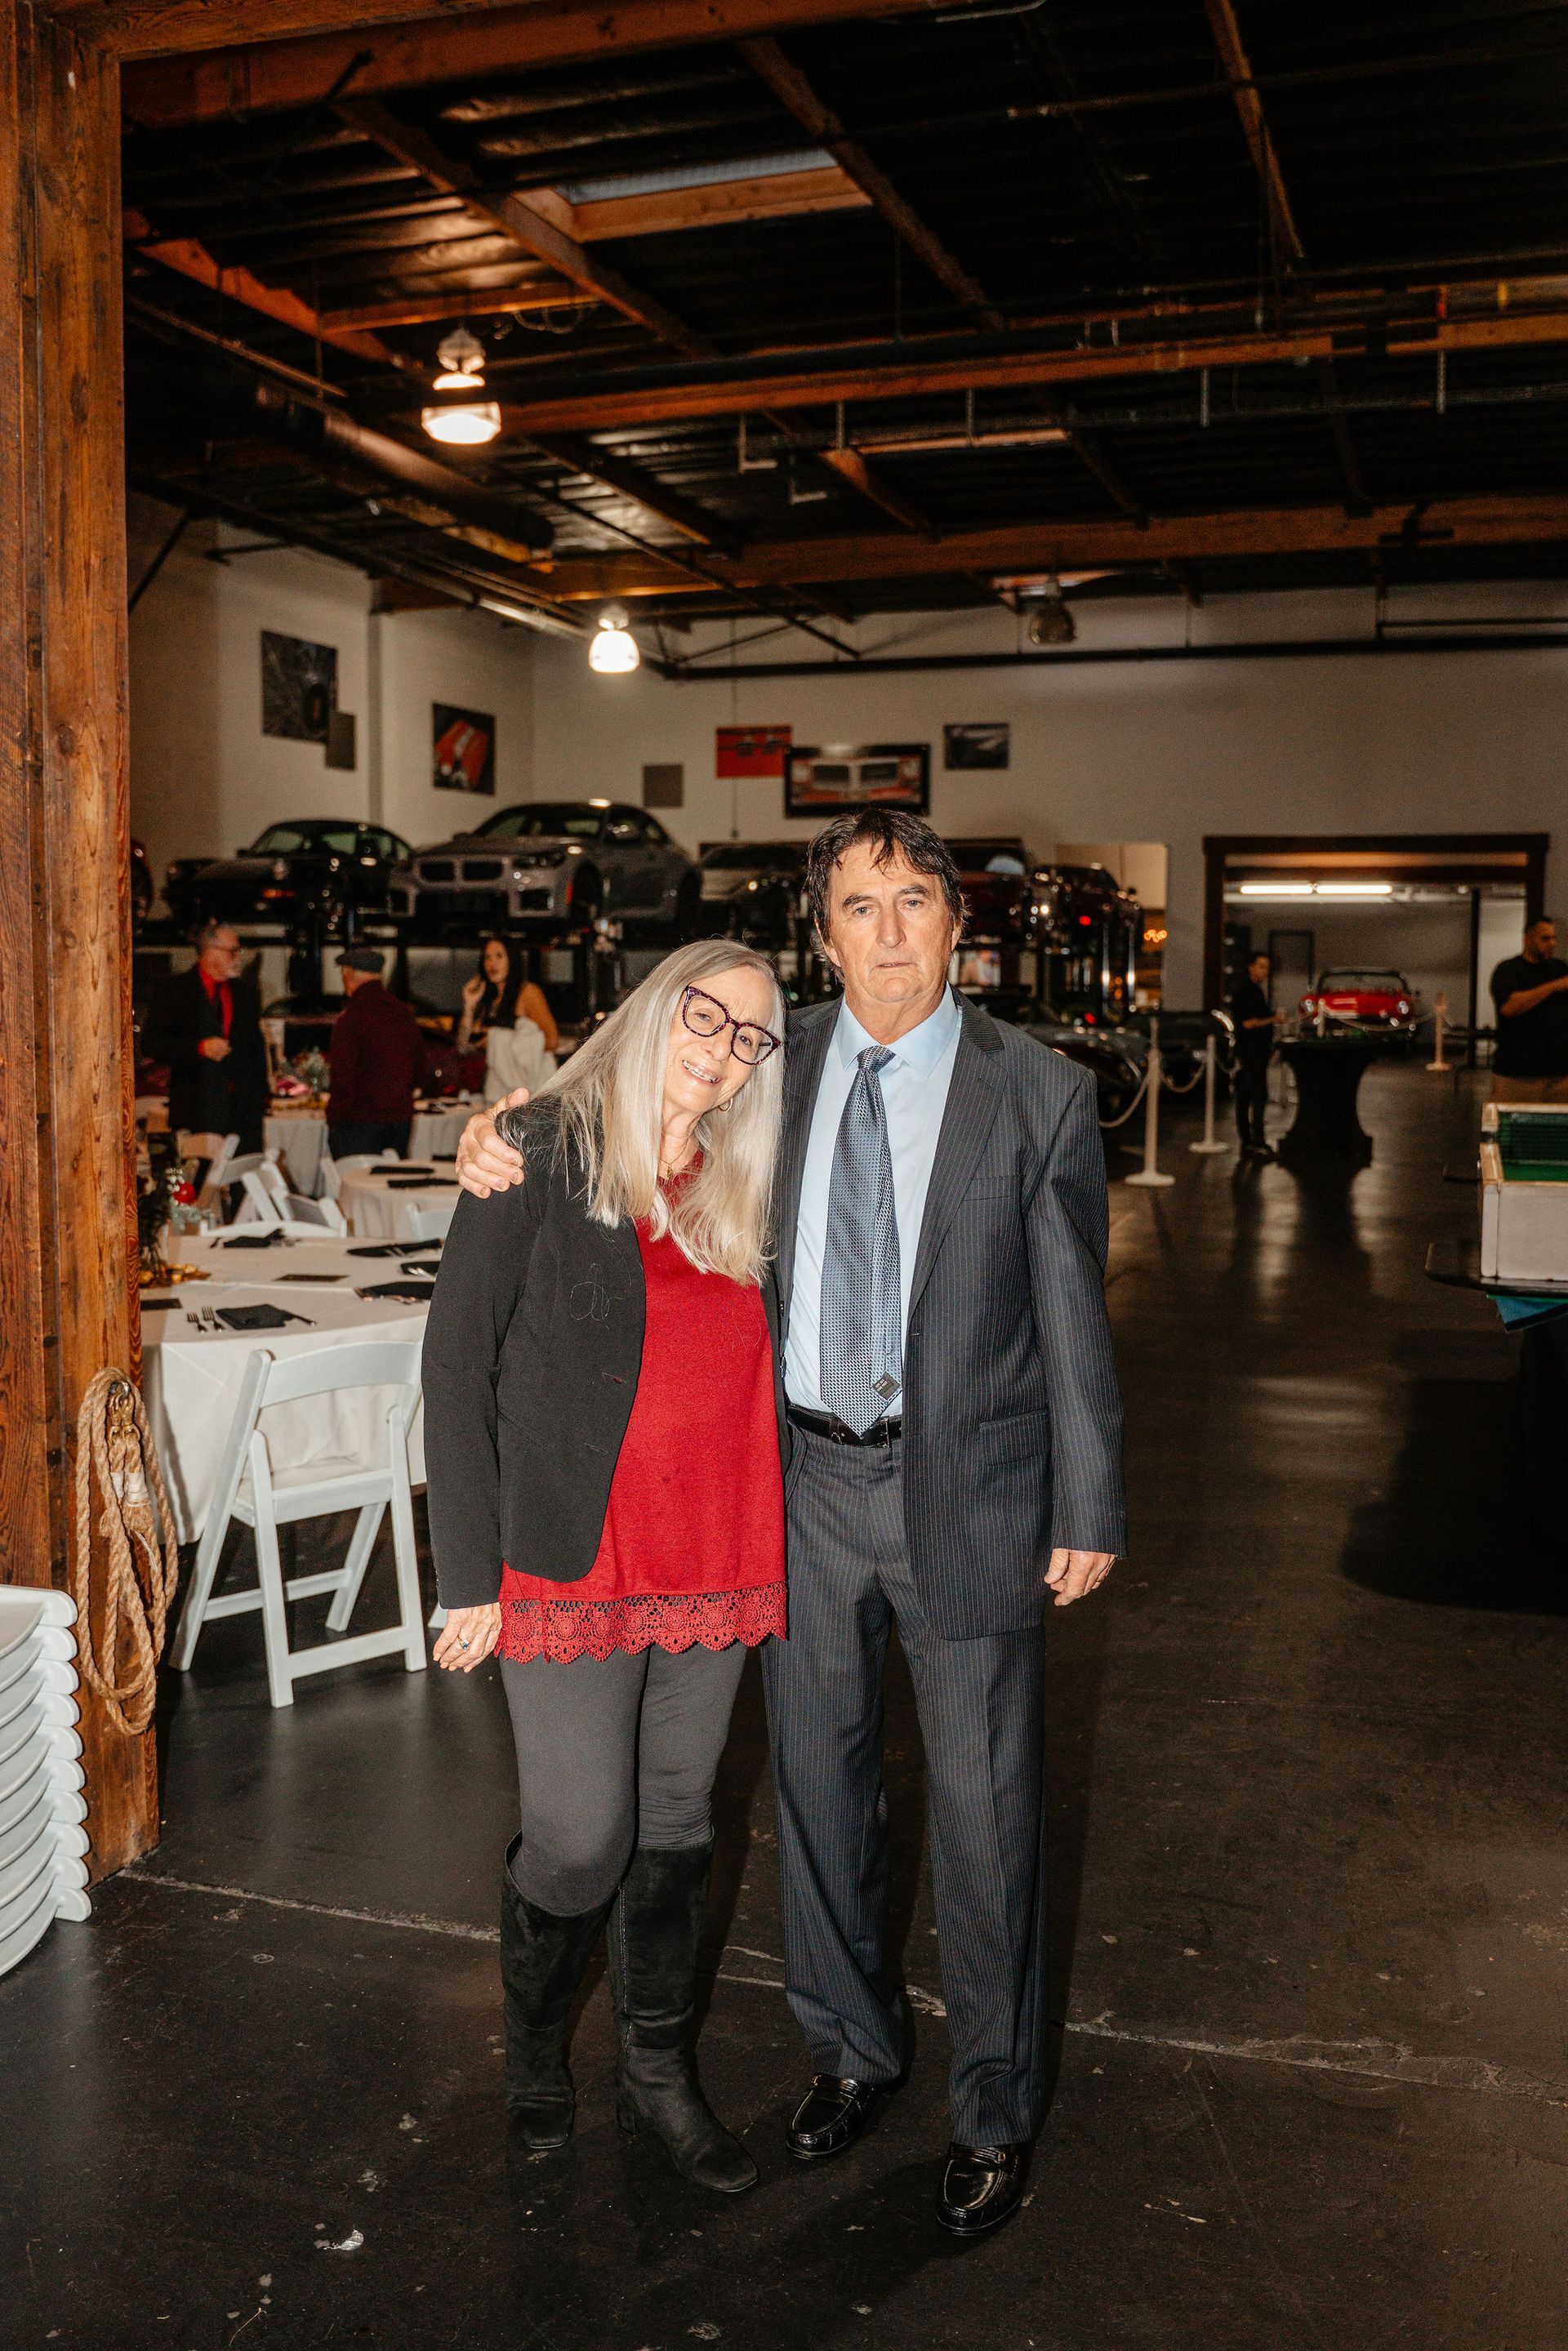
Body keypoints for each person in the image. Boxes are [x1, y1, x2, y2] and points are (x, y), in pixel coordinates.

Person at [456, 810, 1125, 2240]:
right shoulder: (779, 1058)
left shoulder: (1042, 1090)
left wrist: (1088, 1495)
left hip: (972, 1491)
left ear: (959, 921)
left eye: (914, 901)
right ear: (822, 933)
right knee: (821, 1797)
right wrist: (495, 1134)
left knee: (990, 1808)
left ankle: (995, 2104)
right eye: (857, 906)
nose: (888, 931)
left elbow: (1075, 1311)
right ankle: (852, 2048)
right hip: (796, 1493)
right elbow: (631, 1094)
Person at [423, 940, 787, 2196]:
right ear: (653, 1003)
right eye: (707, 1013)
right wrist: (466, 1573)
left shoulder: (749, 1186)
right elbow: (453, 1364)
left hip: (719, 1551)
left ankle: (657, 2069)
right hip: (577, 1557)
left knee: (680, 1825)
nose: (723, 1047)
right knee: (582, 1839)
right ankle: (535, 2057)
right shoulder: (534, 1146)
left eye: (752, 1037)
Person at [141, 920, 269, 1152]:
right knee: (200, 1183)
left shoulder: (245, 993)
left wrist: (261, 1098)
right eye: (232, 951)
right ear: (209, 953)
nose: (237, 957)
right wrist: (199, 1048)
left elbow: (255, 1049)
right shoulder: (175, 991)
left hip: (242, 1113)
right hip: (196, 1107)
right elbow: (152, 1043)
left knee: (245, 1178)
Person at [326, 946, 425, 1159]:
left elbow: (343, 1077)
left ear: (349, 974)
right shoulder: (404, 1014)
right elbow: (419, 1069)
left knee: (355, 1186)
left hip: (359, 1121)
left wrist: (334, 1119)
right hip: (399, 1120)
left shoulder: (351, 1018)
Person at [456, 936, 558, 1098]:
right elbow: (463, 1048)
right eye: (487, 957)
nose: (492, 963)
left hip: (529, 1088)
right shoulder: (488, 999)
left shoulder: (528, 993)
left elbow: (552, 1041)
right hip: (498, 1090)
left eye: (499, 956)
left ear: (512, 959)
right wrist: (469, 1005)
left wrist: (498, 1041)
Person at [1489, 915, 1568, 1103]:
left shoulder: (1560, 968)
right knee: (1512, 1129)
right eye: (1545, 939)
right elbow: (1509, 1007)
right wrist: (1554, 987)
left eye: (1553, 938)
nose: (1551, 943)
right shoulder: (1509, 970)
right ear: (1527, 939)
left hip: (1559, 1075)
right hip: (1517, 1075)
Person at [1228, 949, 1283, 1158]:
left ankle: (1247, 1141)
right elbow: (1248, 1023)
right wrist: (1272, 1020)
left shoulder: (1254, 991)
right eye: (1261, 966)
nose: (1265, 971)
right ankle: (1257, 1142)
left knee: (1245, 1096)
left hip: (1252, 1050)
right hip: (1252, 1051)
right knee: (1259, 1095)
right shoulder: (1246, 992)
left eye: (1267, 968)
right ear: (1250, 967)